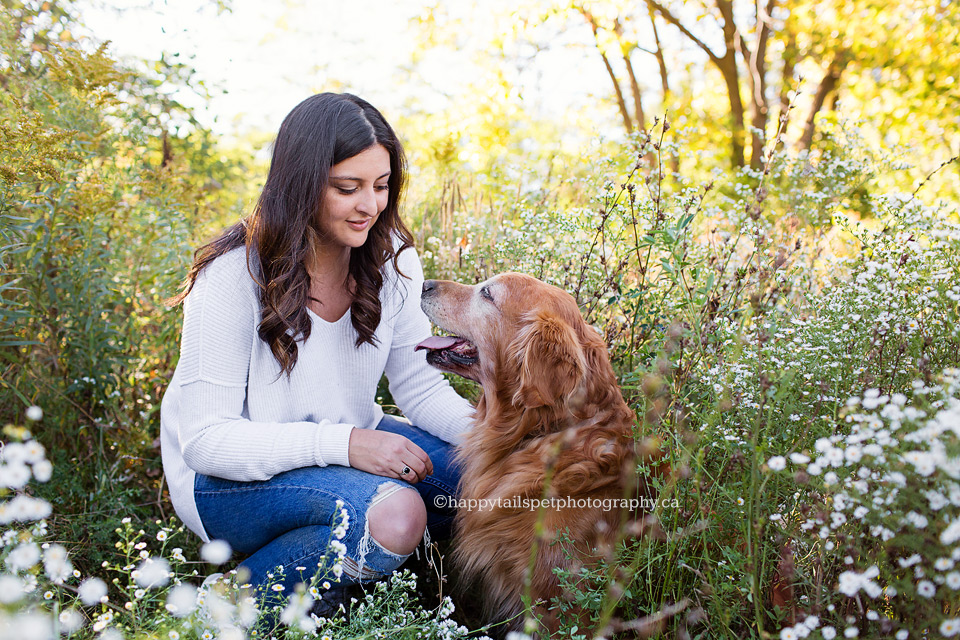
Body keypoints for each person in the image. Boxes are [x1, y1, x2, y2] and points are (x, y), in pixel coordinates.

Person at [159, 93, 473, 609]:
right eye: (347, 188)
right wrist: (346, 445)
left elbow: (419, 387)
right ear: (300, 184)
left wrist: (504, 446)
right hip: (225, 481)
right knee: (399, 515)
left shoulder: (394, 261)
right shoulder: (231, 278)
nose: (369, 206)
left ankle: (322, 565)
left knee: (493, 486)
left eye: (381, 185)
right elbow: (206, 442)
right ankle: (225, 612)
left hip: (346, 441)